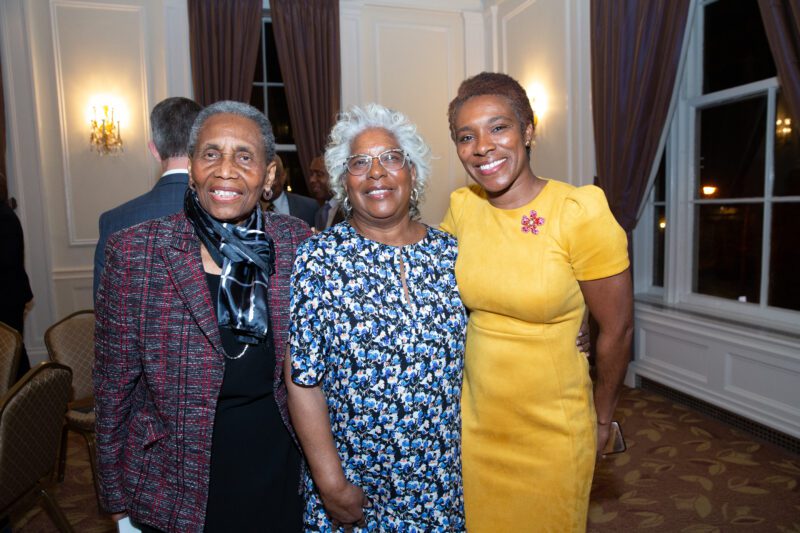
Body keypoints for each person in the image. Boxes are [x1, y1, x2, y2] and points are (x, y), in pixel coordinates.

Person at [94, 101, 310, 532]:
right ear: (191, 167)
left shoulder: (298, 244)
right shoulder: (136, 252)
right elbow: (112, 391)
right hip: (173, 484)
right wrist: (116, 505)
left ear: (268, 175)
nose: (225, 169)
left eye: (244, 156)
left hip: (279, 474)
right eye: (210, 154)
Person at [441, 71, 633, 532]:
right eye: (466, 136)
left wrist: (602, 418)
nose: (482, 146)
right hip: (478, 421)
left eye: (498, 127)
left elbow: (618, 329)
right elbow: (438, 297)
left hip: (552, 425)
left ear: (528, 130)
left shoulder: (578, 211)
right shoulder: (463, 208)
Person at [286, 103, 467, 531]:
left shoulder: (453, 254)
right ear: (343, 183)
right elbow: (302, 380)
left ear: (413, 173)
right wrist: (331, 485)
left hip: (443, 479)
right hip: (355, 485)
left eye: (390, 158)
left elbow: (498, 330)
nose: (376, 172)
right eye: (359, 163)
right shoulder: (318, 259)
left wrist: (567, 335)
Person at [93, 96, 202, 299]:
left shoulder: (114, 221)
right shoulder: (225, 214)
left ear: (154, 150)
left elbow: (105, 310)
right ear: (200, 146)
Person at [0, 188, 33, 380]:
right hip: (8, 296)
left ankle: (25, 400)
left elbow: (7, 260)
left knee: (14, 354)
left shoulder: (4, 217)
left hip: (7, 298)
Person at [262, 154, 318, 226]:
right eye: (263, 176)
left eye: (274, 176)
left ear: (284, 176)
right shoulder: (246, 208)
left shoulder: (310, 207)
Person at [309, 156, 344, 231]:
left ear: (336, 176)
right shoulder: (320, 212)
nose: (311, 179)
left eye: (319, 174)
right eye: (311, 174)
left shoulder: (349, 210)